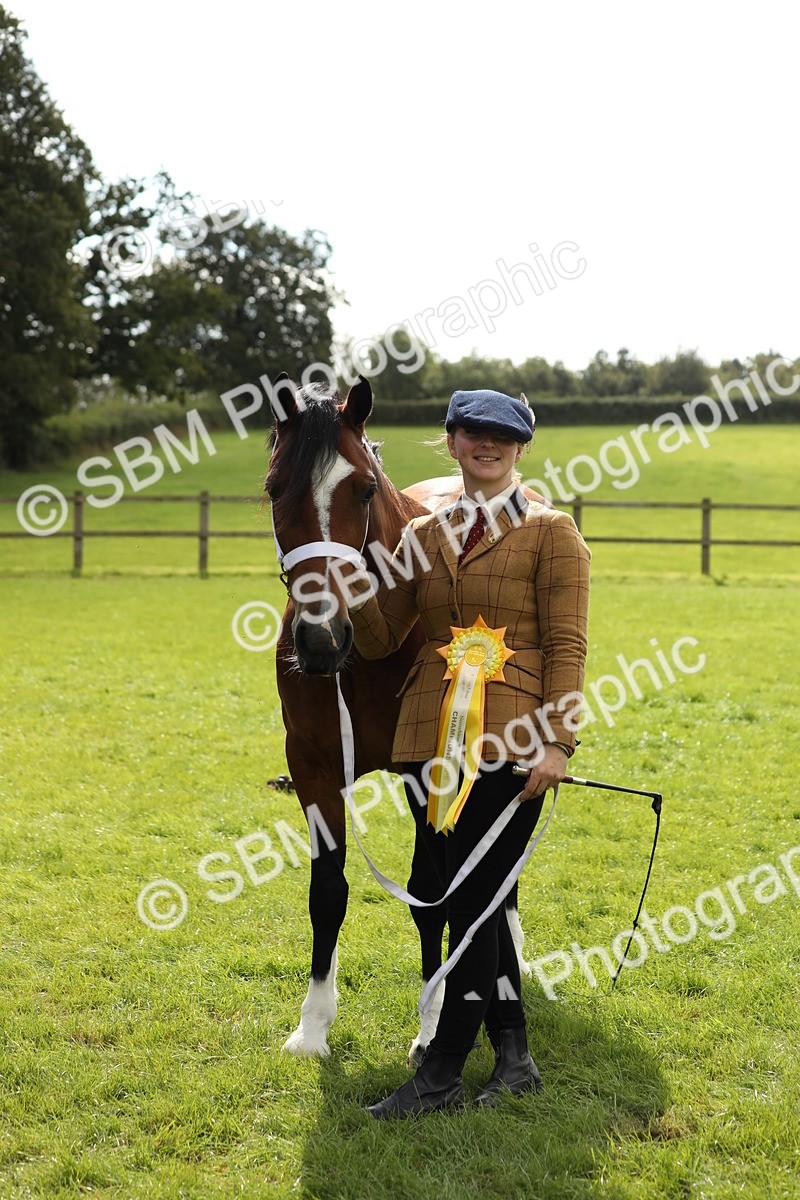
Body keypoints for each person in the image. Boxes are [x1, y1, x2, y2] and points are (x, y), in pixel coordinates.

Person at [346, 388, 590, 1118]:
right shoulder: (423, 536)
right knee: (467, 895)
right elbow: (383, 636)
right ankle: (514, 1056)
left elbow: (569, 645)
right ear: (450, 443)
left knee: (471, 905)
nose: (486, 445)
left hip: (514, 743)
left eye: (501, 437)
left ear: (520, 449)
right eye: (471, 434)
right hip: (428, 742)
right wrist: (359, 576)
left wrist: (558, 739)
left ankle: (441, 1075)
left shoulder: (553, 532)